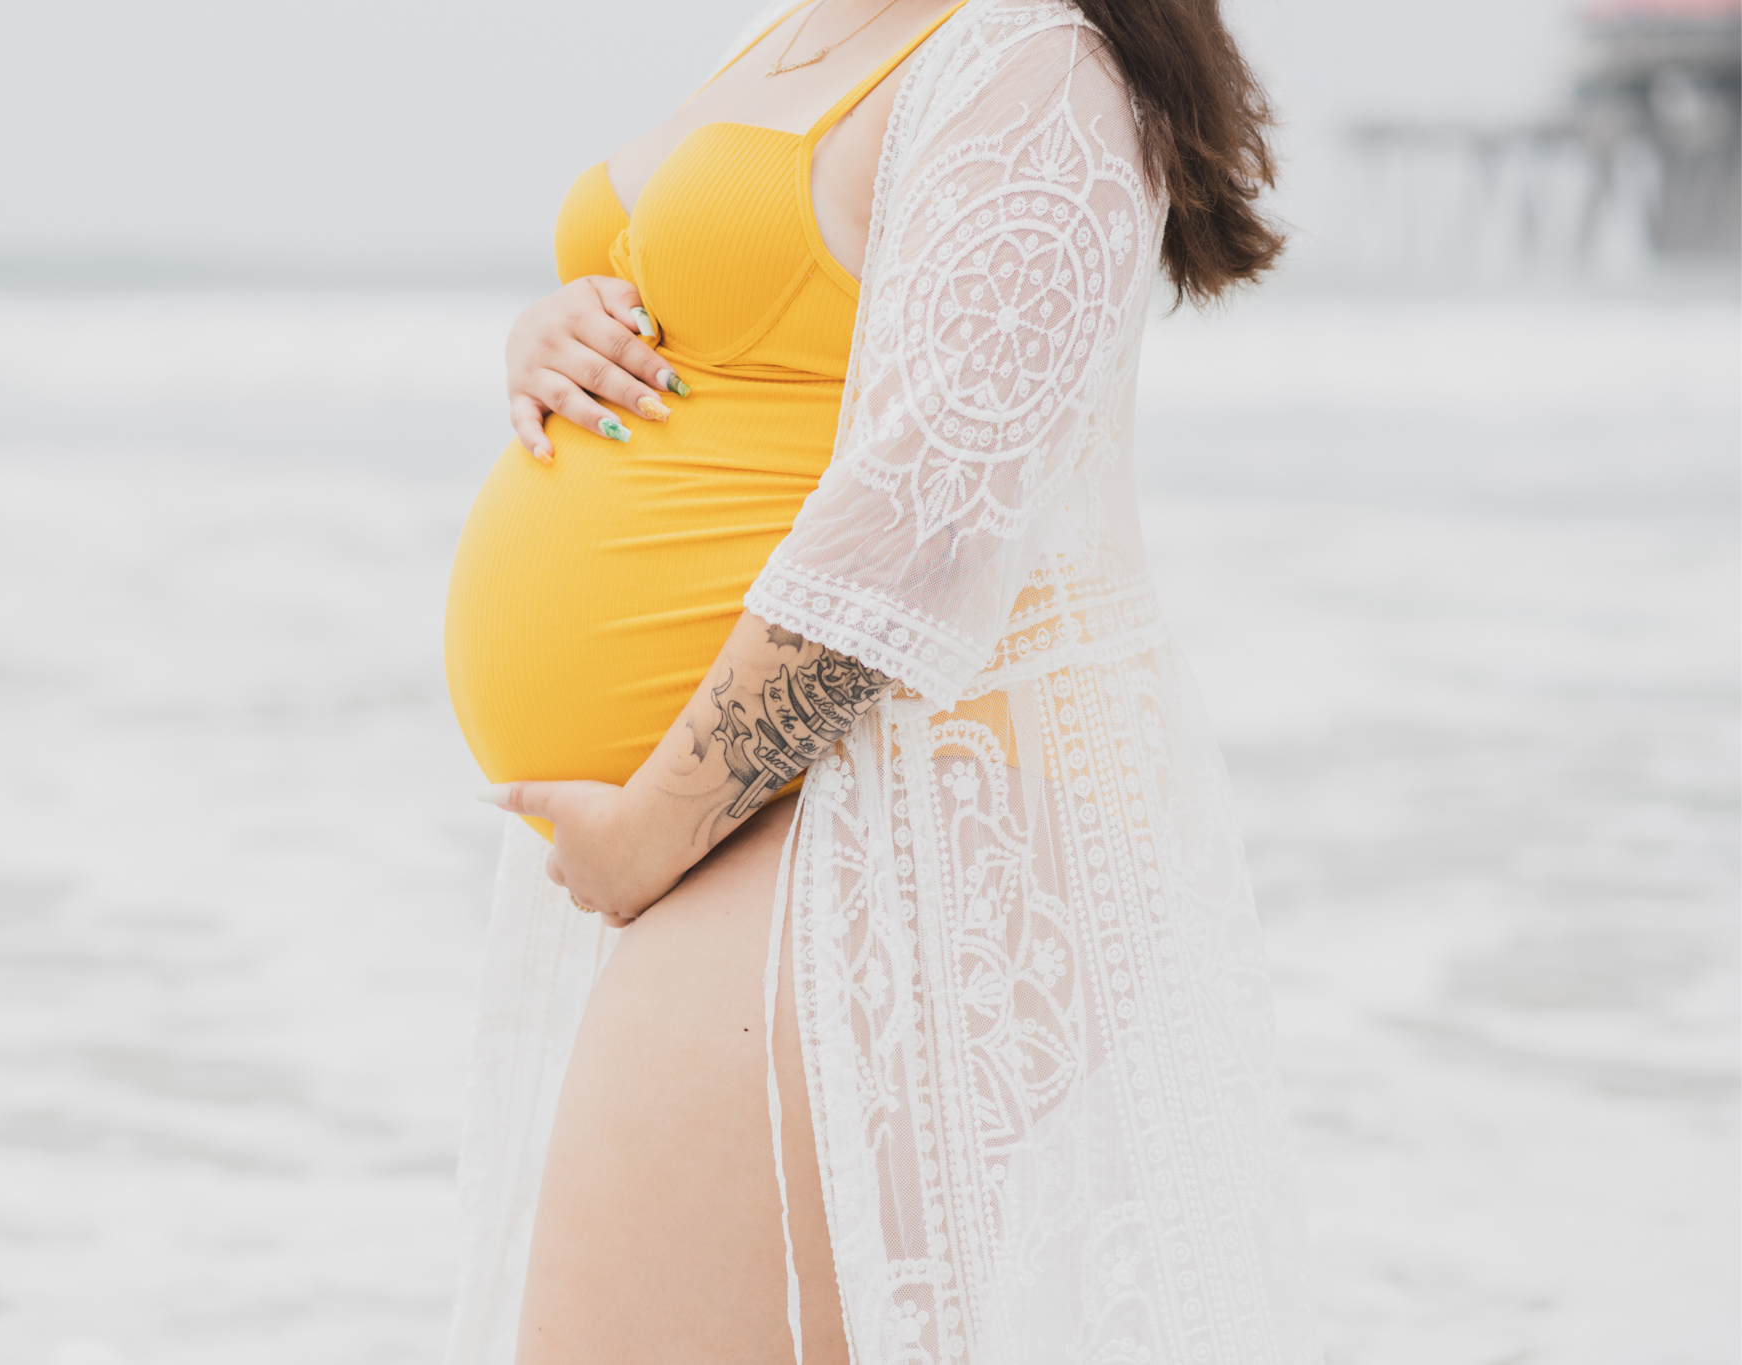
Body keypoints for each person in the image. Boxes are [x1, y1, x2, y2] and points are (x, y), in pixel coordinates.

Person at [442, 0, 1323, 1360]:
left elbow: (932, 522)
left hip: (882, 814)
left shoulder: (1038, 61)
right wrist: (556, 341)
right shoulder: (810, 21)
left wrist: (654, 826)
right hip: (749, 829)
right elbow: (767, 347)